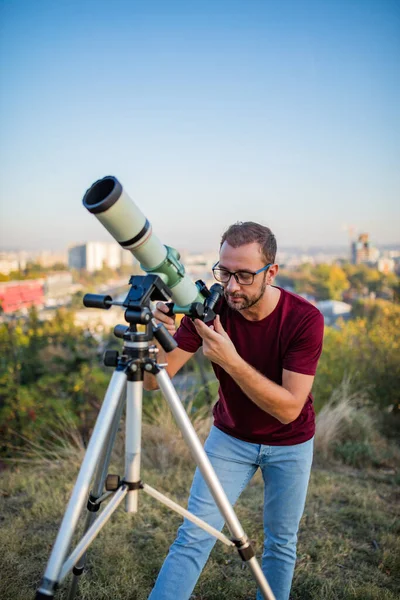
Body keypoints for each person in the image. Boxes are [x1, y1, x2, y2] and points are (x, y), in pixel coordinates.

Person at [145, 221, 324, 600]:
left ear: (271, 272)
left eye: (244, 275)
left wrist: (231, 360)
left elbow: (289, 409)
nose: (231, 286)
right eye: (224, 272)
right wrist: (158, 334)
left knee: (280, 544)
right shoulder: (210, 309)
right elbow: (154, 379)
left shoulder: (305, 319)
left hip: (291, 443)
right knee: (194, 534)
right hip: (229, 439)